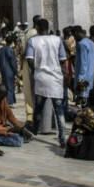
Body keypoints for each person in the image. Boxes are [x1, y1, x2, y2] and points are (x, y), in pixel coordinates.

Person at [26, 18, 68, 147]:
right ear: (48, 28)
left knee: (38, 108)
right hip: (55, 78)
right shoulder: (57, 40)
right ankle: (62, 138)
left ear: (37, 28)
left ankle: (33, 133)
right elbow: (62, 60)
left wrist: (37, 68)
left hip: (41, 78)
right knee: (59, 110)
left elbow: (30, 60)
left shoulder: (33, 41)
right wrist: (65, 75)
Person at [74, 25, 94, 99]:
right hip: (90, 76)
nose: (74, 38)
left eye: (74, 35)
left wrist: (80, 80)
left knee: (82, 100)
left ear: (76, 33)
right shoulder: (91, 42)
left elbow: (83, 64)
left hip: (83, 79)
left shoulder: (81, 44)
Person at [0, 35, 18, 105]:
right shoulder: (10, 50)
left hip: (2, 70)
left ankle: (8, 100)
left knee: (5, 85)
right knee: (10, 86)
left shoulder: (1, 50)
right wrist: (16, 72)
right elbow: (13, 62)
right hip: (9, 71)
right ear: (11, 42)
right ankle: (9, 102)